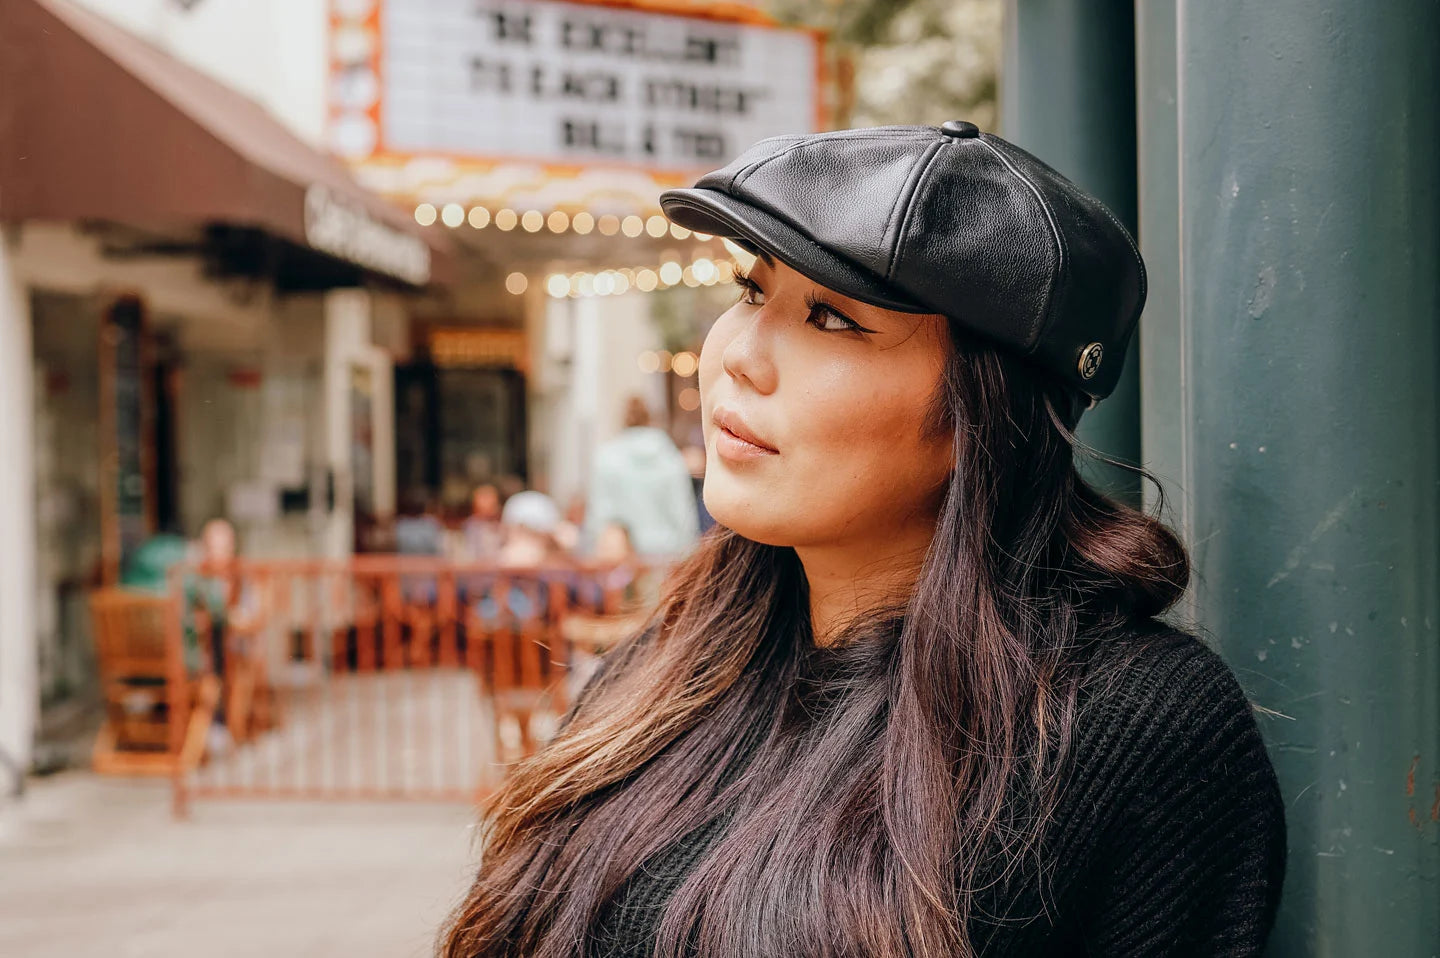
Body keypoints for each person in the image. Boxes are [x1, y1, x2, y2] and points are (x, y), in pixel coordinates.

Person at [440, 122, 1287, 957]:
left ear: (982, 415)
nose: (740, 355)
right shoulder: (671, 662)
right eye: (751, 290)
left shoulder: (1134, 729)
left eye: (833, 319)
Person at [583, 396, 700, 560]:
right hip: (666, 555)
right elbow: (683, 515)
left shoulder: (606, 459)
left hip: (622, 560)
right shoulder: (670, 459)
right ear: (650, 419)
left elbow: (600, 516)